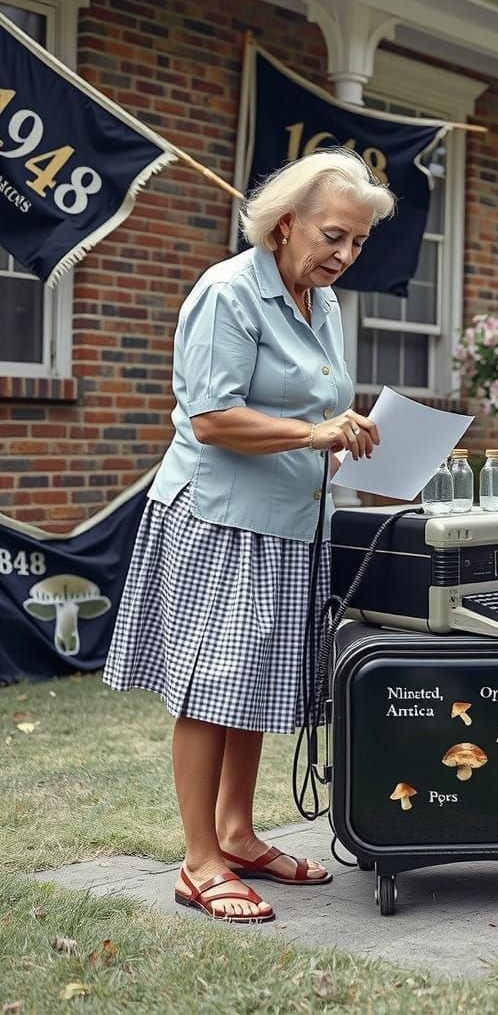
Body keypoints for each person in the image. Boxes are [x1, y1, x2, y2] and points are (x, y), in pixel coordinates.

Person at [104, 149, 395, 923]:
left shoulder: (322, 304)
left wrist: (352, 434)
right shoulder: (227, 291)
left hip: (293, 524)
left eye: (359, 242)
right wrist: (314, 432)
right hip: (221, 519)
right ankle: (199, 861)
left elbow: (318, 408)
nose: (345, 254)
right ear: (286, 220)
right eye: (334, 235)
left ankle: (236, 833)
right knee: (209, 688)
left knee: (253, 683)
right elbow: (213, 418)